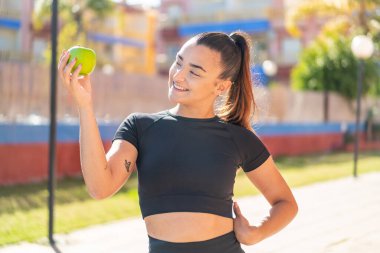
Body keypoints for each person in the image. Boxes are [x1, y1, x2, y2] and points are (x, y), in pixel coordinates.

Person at [58, 31, 298, 253]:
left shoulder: (237, 138)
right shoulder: (140, 127)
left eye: (194, 71)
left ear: (221, 86)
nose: (179, 75)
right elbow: (100, 187)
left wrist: (256, 233)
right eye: (179, 61)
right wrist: (84, 105)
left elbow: (286, 203)